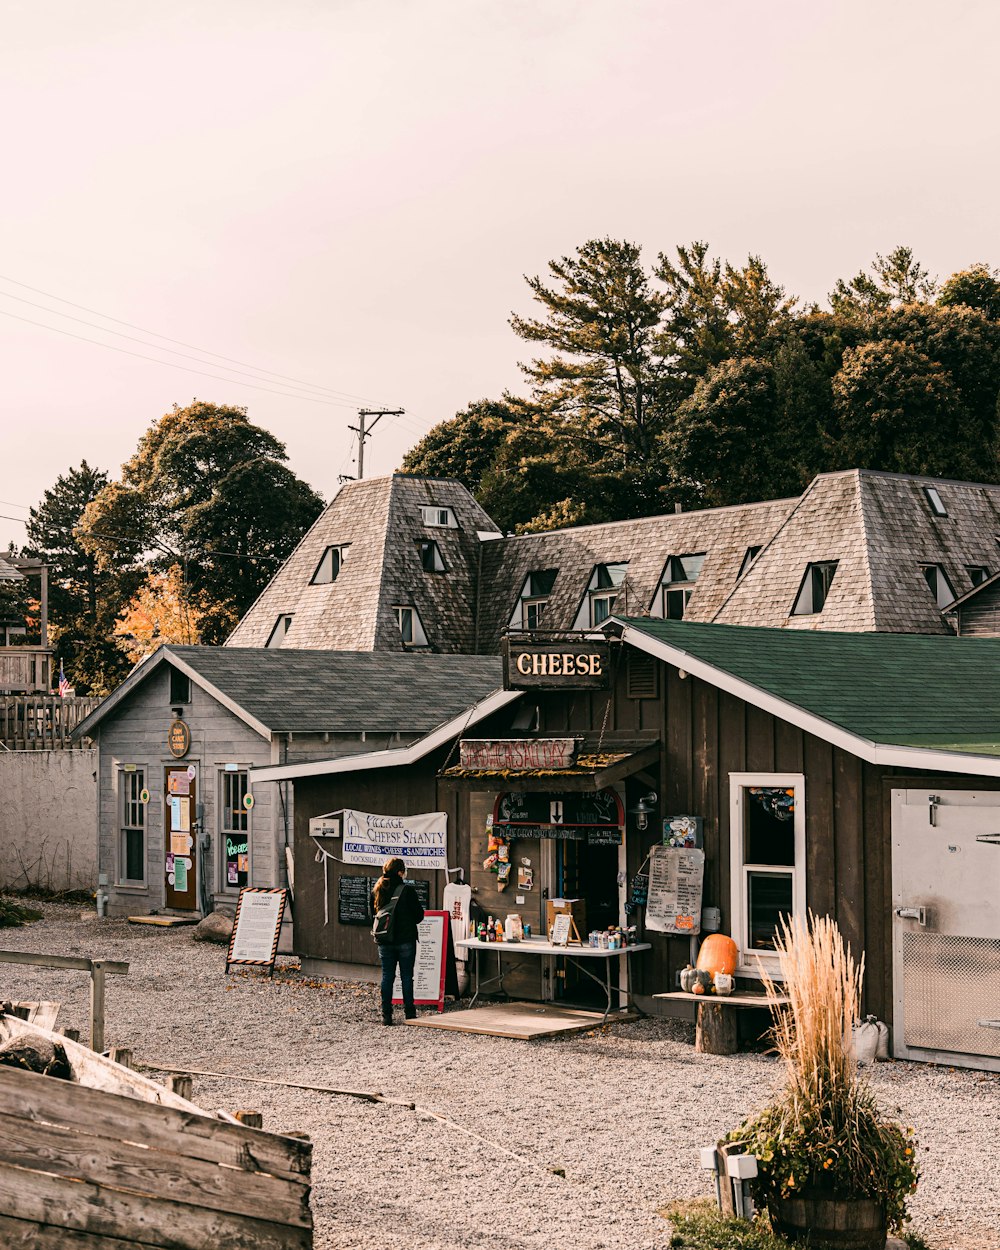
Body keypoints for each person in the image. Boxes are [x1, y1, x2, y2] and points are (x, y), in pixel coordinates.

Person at [372, 856, 424, 1025]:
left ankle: (387, 1015)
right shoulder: (407, 891)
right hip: (405, 940)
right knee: (407, 976)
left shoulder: (377, 889)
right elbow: (418, 916)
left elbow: (372, 915)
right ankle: (409, 1013)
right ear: (400, 872)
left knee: (387, 976)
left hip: (385, 941)